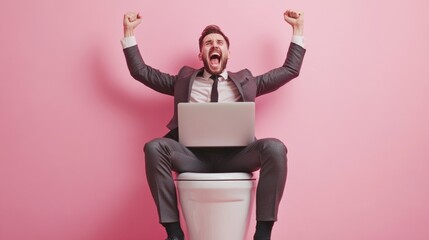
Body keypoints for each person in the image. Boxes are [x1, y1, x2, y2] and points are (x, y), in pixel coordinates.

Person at [121, 8, 305, 240]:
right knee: (154, 147)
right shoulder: (183, 81)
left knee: (276, 147)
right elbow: (141, 72)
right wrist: (129, 33)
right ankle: (174, 233)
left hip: (237, 157)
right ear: (201, 55)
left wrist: (297, 30)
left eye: (219, 42)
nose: (214, 45)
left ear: (227, 52)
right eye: (208, 43)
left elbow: (289, 70)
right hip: (192, 158)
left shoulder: (248, 82)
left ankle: (263, 233)